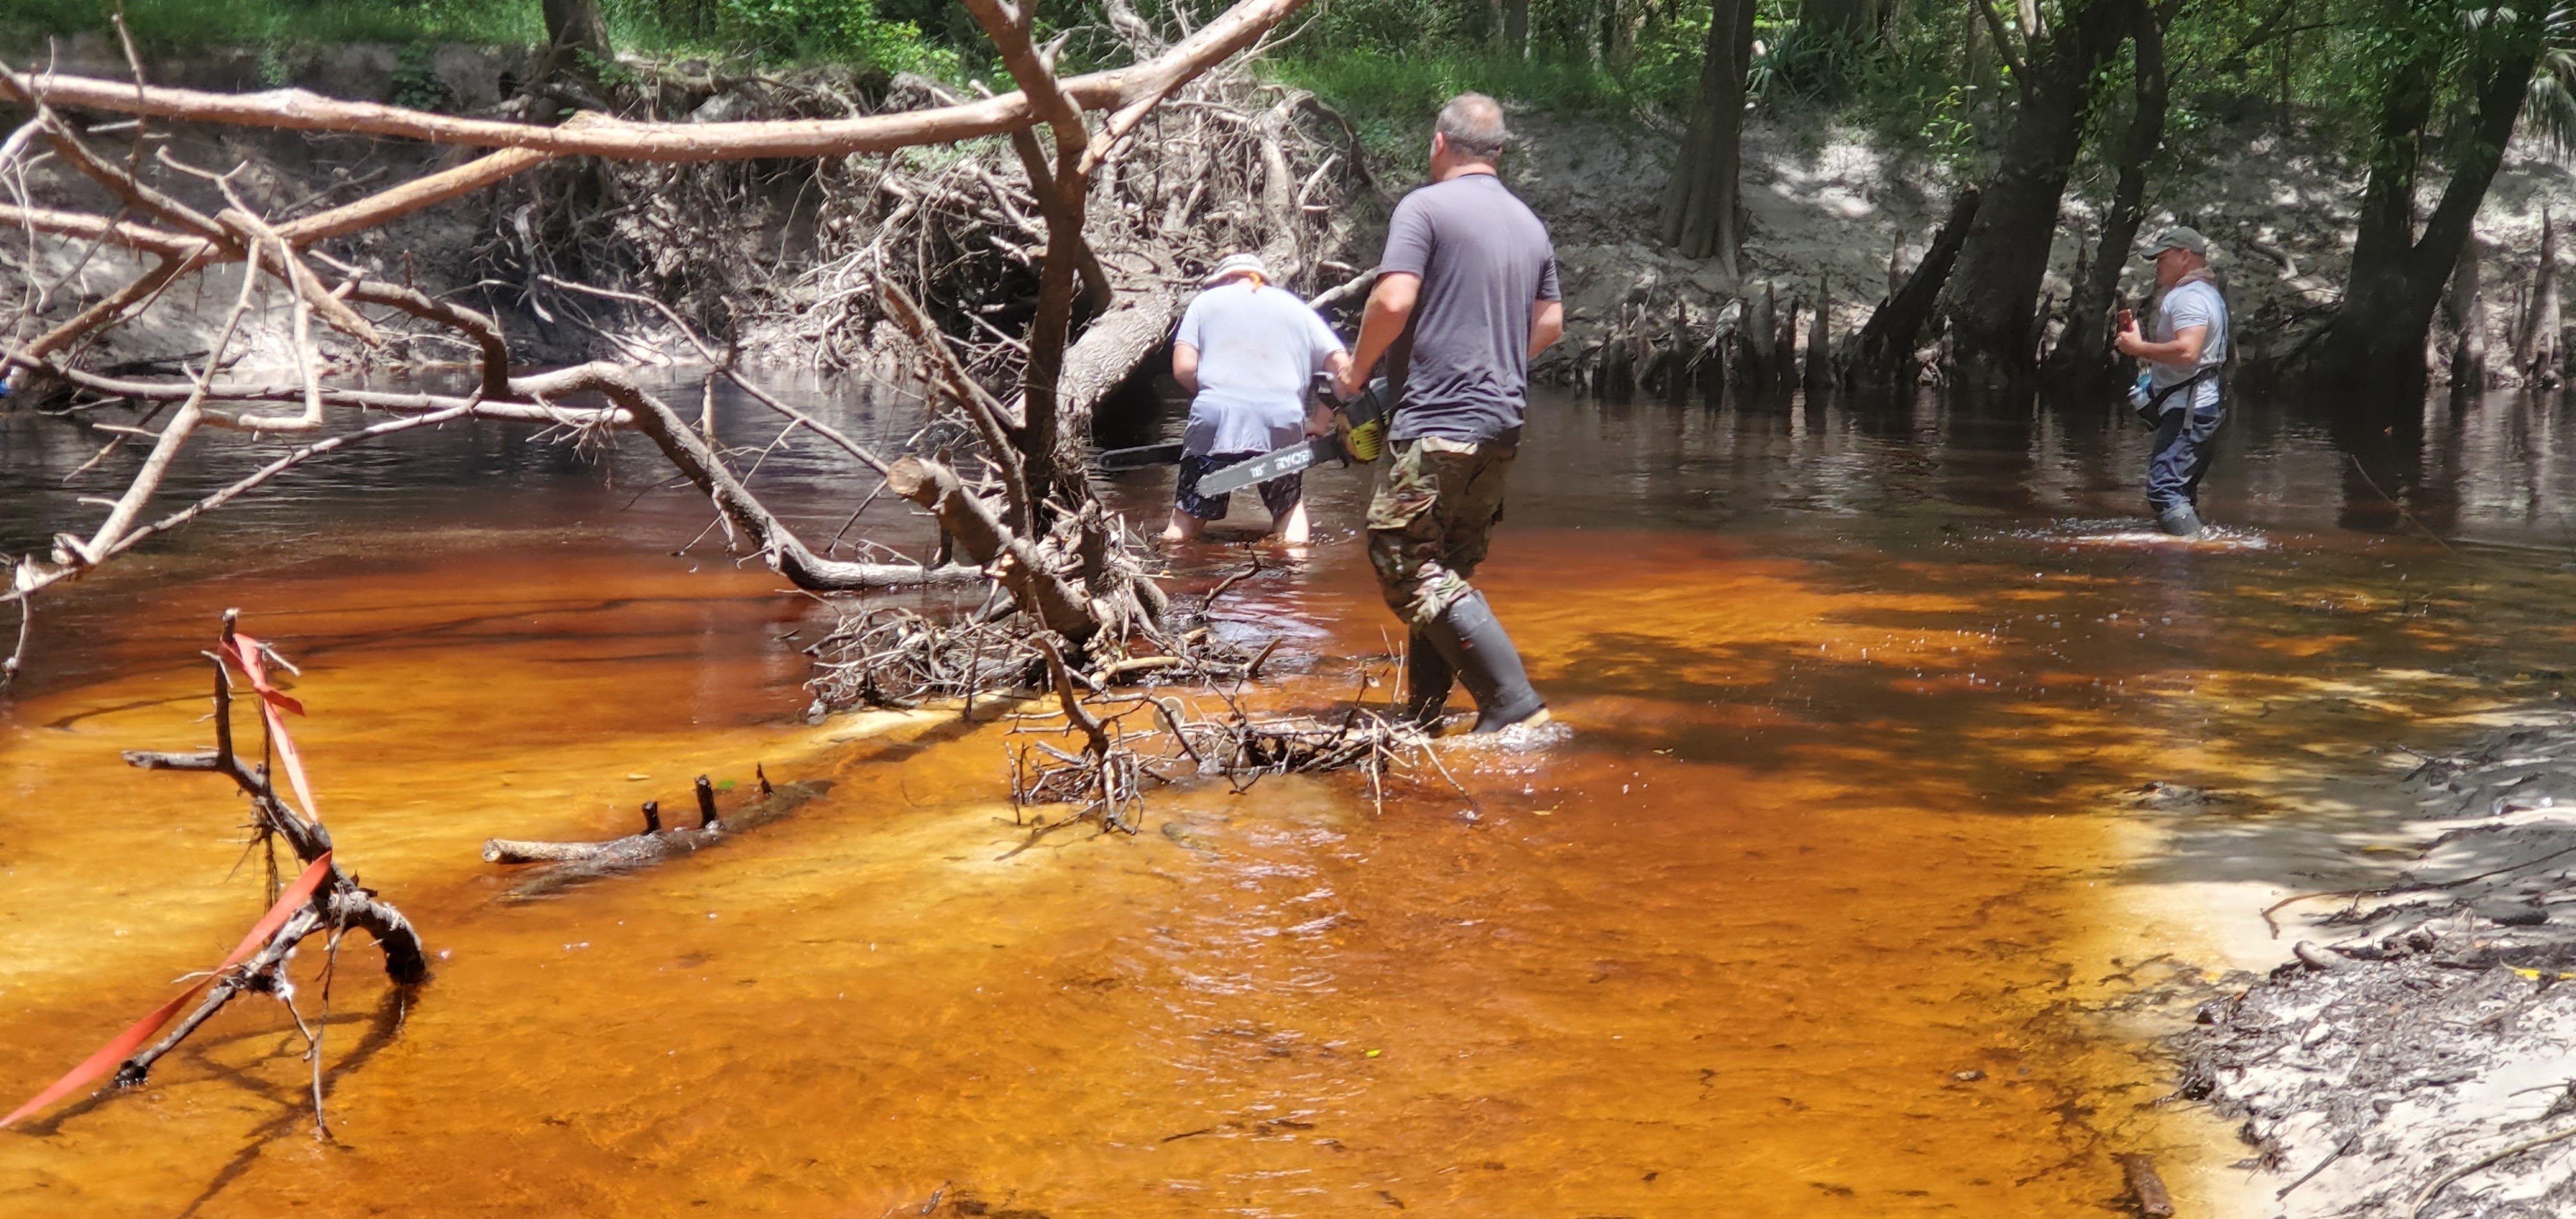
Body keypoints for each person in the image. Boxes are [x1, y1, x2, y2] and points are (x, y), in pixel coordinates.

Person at [1337, 93, 1564, 733]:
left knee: (1403, 560)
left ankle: (1515, 705)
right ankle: (1425, 715)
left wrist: (1357, 375)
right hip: (1500, 423)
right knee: (1446, 566)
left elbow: (1393, 300)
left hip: (1438, 415)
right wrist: (1494, 360)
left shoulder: (1424, 207)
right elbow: (1550, 322)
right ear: (1497, 151)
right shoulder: (1528, 223)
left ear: (1441, 144)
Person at [1165, 252, 1349, 545]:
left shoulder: (1204, 302)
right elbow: (1342, 368)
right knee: (1288, 511)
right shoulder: (1297, 308)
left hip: (1217, 418)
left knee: (1185, 521)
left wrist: (1216, 400)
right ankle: (1294, 574)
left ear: (1223, 281)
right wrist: (1319, 422)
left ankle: (1173, 576)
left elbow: (1184, 368)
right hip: (1281, 421)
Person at [2116, 226, 2230, 537]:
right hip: (2203, 404)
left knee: (2164, 490)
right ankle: (2182, 565)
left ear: (2185, 257)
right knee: (2181, 491)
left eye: (2162, 258)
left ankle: (2197, 548)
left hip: (2191, 408)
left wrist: (2139, 349)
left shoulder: (2187, 297)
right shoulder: (2208, 294)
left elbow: (2188, 350)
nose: (2157, 266)